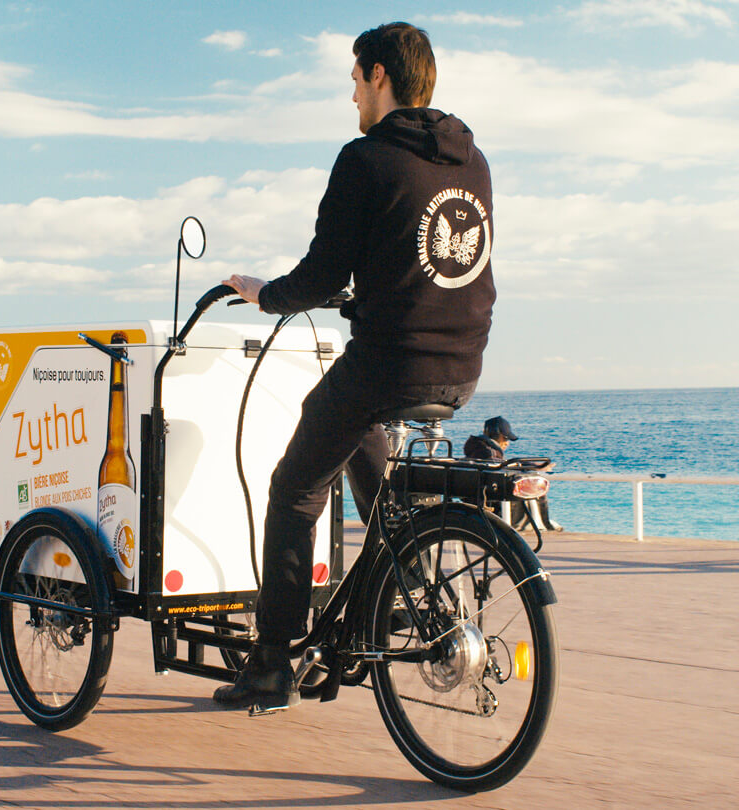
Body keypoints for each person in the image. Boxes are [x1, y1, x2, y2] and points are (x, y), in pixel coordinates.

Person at [215, 22, 496, 710]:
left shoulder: (365, 159)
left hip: (390, 362)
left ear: (379, 76)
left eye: (353, 80)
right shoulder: (474, 160)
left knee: (293, 491)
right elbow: (427, 261)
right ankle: (405, 592)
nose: (351, 97)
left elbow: (317, 275)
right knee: (368, 452)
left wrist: (262, 293)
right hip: (462, 364)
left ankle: (273, 663)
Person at [464, 416, 562, 531]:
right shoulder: (487, 452)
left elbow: (502, 464)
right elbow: (499, 466)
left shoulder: (479, 448)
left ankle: (539, 523)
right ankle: (542, 524)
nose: (507, 444)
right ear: (497, 436)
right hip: (491, 506)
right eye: (505, 439)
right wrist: (534, 467)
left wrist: (531, 466)